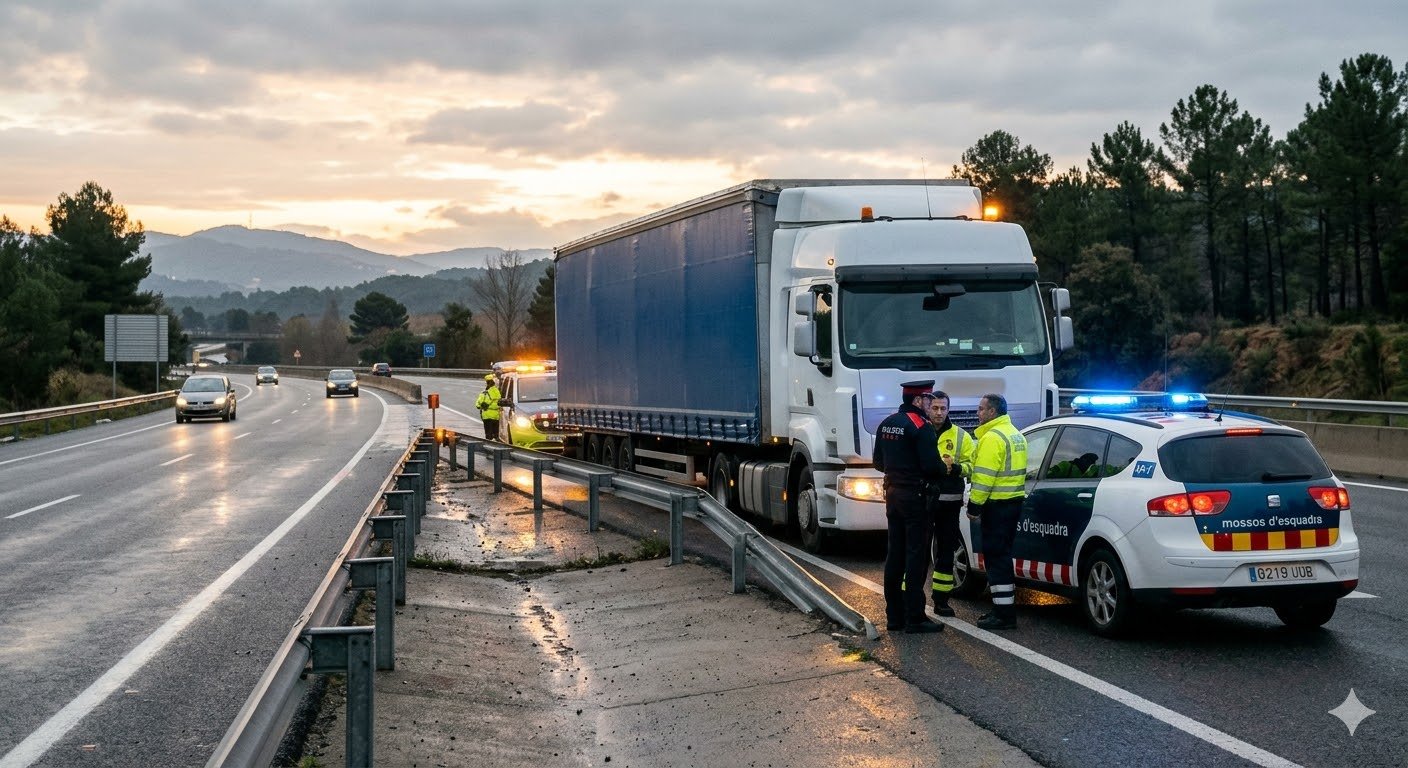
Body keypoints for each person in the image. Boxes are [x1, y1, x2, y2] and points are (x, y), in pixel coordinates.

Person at [872, 380, 945, 634]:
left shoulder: (887, 422)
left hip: (893, 495)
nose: (930, 404)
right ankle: (915, 617)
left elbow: (878, 462)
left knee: (895, 556)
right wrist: (944, 468)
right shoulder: (920, 426)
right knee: (916, 557)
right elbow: (932, 466)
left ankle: (894, 617)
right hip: (916, 497)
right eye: (927, 399)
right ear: (917, 401)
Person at [966, 393, 1029, 630]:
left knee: (996, 559)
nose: (978, 413)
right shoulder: (1015, 434)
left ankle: (1003, 614)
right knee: (1002, 557)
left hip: (997, 506)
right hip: (1012, 503)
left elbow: (984, 477)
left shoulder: (993, 437)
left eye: (981, 409)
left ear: (992, 412)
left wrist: (974, 506)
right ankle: (1004, 610)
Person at [926, 391, 975, 617]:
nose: (938, 412)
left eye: (943, 408)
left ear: (948, 409)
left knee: (946, 553)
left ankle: (941, 600)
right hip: (923, 501)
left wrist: (956, 469)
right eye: (935, 408)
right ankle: (912, 599)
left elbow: (971, 465)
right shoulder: (920, 431)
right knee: (917, 550)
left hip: (949, 503)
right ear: (928, 408)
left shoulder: (961, 436)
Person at [475, 374, 502, 441]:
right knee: (496, 434)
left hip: (487, 416)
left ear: (487, 383)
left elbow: (478, 405)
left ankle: (489, 445)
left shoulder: (484, 393)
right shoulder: (498, 392)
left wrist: (482, 405)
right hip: (496, 416)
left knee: (488, 436)